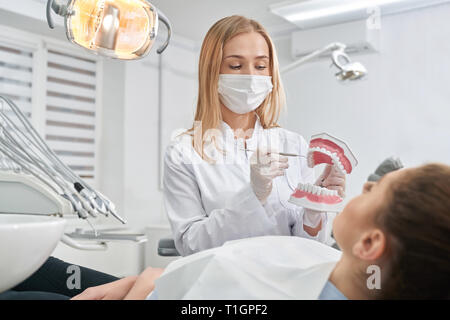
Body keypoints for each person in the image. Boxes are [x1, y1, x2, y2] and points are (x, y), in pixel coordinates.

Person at [73, 163, 450, 300]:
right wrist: (165, 278)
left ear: (370, 243)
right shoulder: (337, 266)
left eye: (373, 190)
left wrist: (162, 286)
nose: (361, 187)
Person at [163, 15, 346, 256]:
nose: (251, 77)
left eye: (260, 66)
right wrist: (254, 194)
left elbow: (311, 245)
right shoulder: (183, 152)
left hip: (287, 281)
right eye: (236, 66)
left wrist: (313, 210)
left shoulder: (293, 144)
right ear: (211, 72)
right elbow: (190, 244)